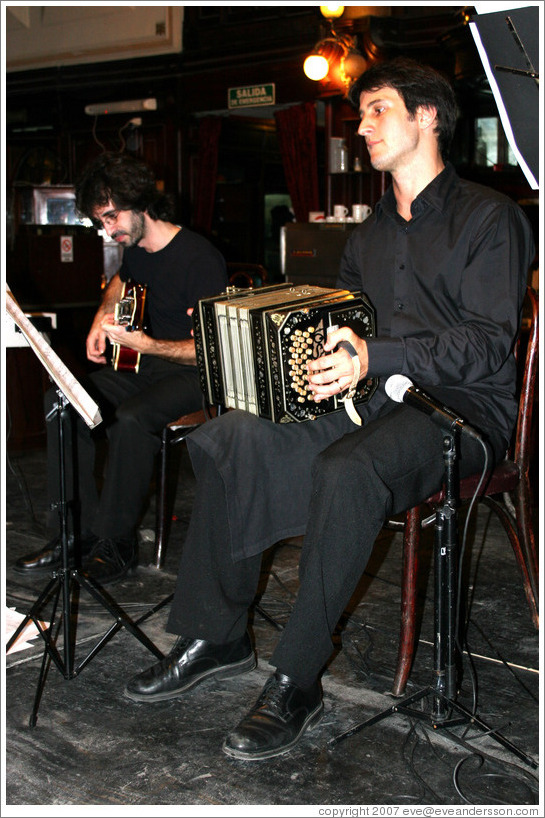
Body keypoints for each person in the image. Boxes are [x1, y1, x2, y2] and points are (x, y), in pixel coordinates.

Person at [123, 58, 535, 760]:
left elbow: (486, 349)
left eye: (378, 110)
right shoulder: (368, 234)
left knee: (346, 470)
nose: (363, 125)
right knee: (228, 438)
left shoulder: (489, 218)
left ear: (426, 116)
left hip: (463, 412)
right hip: (371, 399)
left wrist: (373, 357)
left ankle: (296, 677)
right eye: (361, 113)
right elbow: (349, 329)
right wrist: (307, 367)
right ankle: (215, 635)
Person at [15, 152, 228, 585]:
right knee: (63, 402)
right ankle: (74, 535)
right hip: (143, 370)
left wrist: (147, 344)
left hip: (194, 376)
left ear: (139, 202)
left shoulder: (200, 258)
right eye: (101, 221)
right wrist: (100, 317)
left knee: (131, 419)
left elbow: (216, 350)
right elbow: (120, 281)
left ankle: (117, 542)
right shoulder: (137, 252)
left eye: (111, 217)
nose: (108, 230)